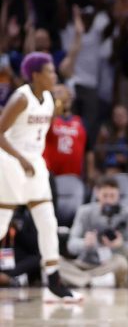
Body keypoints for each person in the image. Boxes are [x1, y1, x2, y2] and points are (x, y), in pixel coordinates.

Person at [0, 52, 81, 302]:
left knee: (47, 220)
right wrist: (21, 159)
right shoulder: (21, 98)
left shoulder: (48, 99)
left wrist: (60, 106)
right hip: (11, 160)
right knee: (2, 223)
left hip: (34, 162)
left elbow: (40, 131)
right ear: (35, 75)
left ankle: (54, 280)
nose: (54, 75)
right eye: (50, 71)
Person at [59, 176, 128, 288]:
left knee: (122, 264)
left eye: (112, 196)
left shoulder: (127, 214)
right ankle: (93, 281)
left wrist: (120, 245)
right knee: (52, 263)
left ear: (118, 195)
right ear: (97, 194)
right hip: (84, 264)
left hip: (110, 264)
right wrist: (84, 243)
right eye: (105, 196)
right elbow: (71, 246)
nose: (108, 200)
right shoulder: (84, 212)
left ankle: (79, 280)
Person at [43, 84, 91, 179]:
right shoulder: (47, 118)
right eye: (55, 93)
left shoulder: (80, 122)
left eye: (60, 92)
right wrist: (56, 104)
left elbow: (89, 150)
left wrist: (90, 173)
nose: (58, 95)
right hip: (50, 175)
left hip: (74, 176)